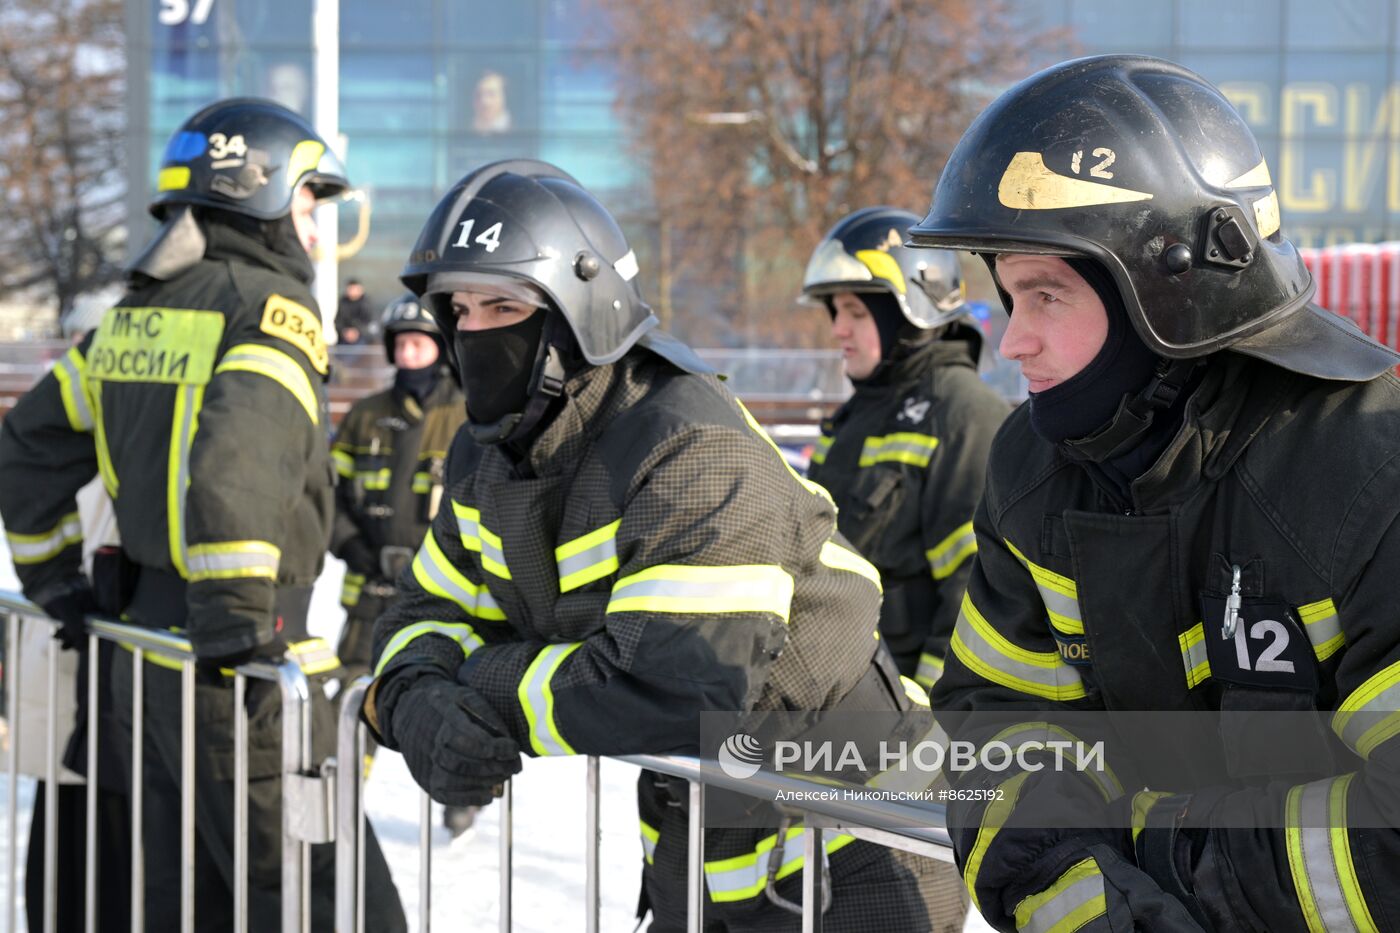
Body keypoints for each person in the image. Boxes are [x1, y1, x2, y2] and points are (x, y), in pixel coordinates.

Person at [364, 159, 956, 931]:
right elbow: (425, 606)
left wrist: (477, 682)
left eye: (502, 305)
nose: (473, 332)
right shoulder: (489, 452)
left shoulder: (689, 441)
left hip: (855, 839)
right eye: (460, 309)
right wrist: (411, 696)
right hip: (698, 837)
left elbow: (672, 685)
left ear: (579, 315)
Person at [908, 55, 1400, 931]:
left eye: (1046, 295)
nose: (1012, 343)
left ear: (1169, 287)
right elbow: (996, 730)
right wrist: (1086, 905)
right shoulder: (1035, 475)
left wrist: (1164, 850)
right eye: (1009, 297)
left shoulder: (1368, 468)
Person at [0, 97, 406, 931]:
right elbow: (239, 459)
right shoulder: (268, 311)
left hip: (138, 662)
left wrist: (55, 580)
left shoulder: (129, 320)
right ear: (260, 196)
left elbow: (29, 445)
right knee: (324, 895)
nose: (319, 231)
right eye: (309, 204)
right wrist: (236, 626)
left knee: (179, 898)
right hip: (242, 668)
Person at [801, 207, 1009, 691]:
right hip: (838, 691)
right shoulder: (860, 414)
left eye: (855, 312)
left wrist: (930, 719)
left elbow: (975, 593)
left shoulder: (962, 416)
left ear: (909, 310)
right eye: (836, 311)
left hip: (904, 712)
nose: (838, 330)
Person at [327, 292, 474, 833]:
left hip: (447, 595)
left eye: (421, 343)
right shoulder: (365, 416)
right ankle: (341, 795)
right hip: (370, 590)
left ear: (439, 348)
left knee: (450, 697)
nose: (410, 354)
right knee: (354, 695)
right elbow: (329, 494)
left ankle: (460, 794)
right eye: (402, 344)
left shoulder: (466, 414)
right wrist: (351, 546)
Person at [336, 278, 374, 345]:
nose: (352, 291)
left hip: (362, 338)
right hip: (344, 338)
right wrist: (345, 332)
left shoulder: (366, 303)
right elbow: (338, 321)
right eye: (350, 289)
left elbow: (369, 323)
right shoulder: (343, 302)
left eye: (354, 289)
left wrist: (356, 332)